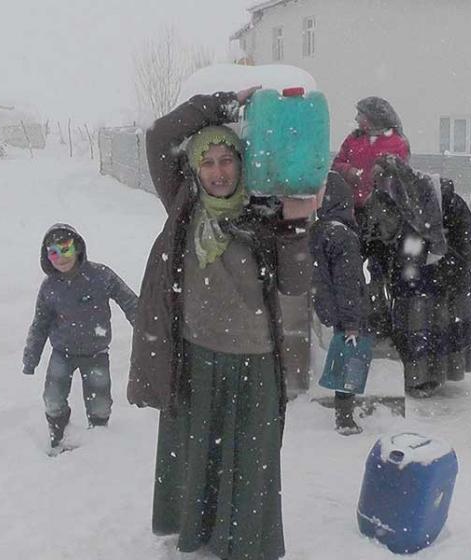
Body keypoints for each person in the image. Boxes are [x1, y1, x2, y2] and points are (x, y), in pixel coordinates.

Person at [126, 88, 314, 560]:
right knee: (197, 457)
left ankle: (246, 544)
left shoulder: (263, 212)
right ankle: (198, 536)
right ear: (194, 168)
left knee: (251, 463)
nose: (216, 172)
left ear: (241, 164)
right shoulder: (183, 205)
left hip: (254, 363)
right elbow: (160, 134)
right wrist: (225, 104)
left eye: (226, 160)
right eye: (206, 162)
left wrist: (294, 226)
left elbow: (295, 282)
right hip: (195, 356)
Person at [364, 155, 471, 398]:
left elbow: (457, 241)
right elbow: (376, 237)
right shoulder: (385, 198)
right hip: (414, 267)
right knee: (417, 317)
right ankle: (420, 374)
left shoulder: (428, 200)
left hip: (439, 269)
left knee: (428, 318)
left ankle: (427, 376)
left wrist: (443, 261)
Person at [22, 223, 138, 449]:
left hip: (96, 352)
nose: (61, 257)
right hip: (62, 353)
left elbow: (129, 301)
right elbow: (40, 324)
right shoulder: (50, 287)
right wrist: (31, 357)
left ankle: (99, 439)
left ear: (77, 248)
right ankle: (59, 434)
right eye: (53, 252)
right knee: (53, 399)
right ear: (47, 257)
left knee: (100, 404)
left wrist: (145, 328)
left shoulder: (101, 276)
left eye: (65, 248)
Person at [331, 97, 410, 342]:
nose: (356, 119)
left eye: (361, 114)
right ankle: (359, 317)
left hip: (384, 217)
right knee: (351, 267)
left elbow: (400, 173)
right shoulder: (354, 139)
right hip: (354, 213)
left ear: (374, 117)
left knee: (381, 270)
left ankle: (383, 320)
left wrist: (378, 180)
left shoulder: (396, 142)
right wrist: (349, 172)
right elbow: (337, 163)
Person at [310, 171, 368, 435]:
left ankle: (342, 412)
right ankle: (345, 418)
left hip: (328, 305)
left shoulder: (318, 230)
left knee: (341, 358)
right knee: (350, 361)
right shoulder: (343, 236)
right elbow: (348, 284)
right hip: (346, 310)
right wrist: (352, 322)